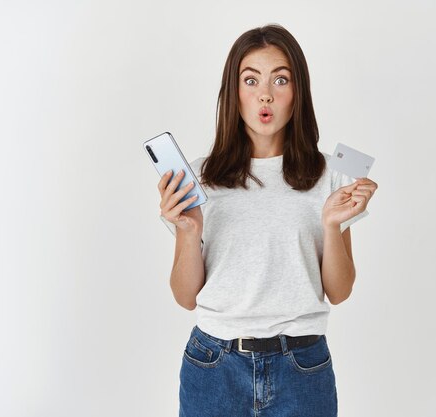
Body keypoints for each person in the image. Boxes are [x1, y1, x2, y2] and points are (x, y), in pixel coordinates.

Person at [157, 24, 378, 417]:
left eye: (280, 79)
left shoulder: (332, 175)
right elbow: (185, 296)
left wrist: (330, 224)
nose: (265, 94)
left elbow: (340, 291)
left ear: (298, 92)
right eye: (250, 80)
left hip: (302, 367)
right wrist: (189, 232)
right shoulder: (199, 177)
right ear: (234, 93)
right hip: (214, 368)